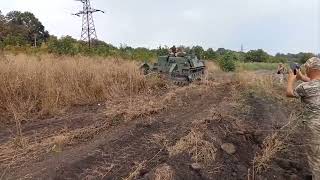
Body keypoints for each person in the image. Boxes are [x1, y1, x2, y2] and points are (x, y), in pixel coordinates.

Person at [286, 57, 320, 179]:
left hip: (315, 128)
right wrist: (301, 77)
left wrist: (291, 79)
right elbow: (314, 82)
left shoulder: (304, 88)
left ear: (310, 69)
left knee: (316, 160)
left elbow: (289, 93)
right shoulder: (310, 85)